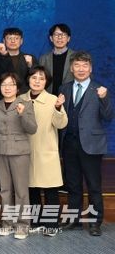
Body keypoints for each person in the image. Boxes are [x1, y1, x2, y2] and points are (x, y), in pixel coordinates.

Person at [59, 51, 112, 236]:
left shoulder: (99, 89)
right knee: (73, 185)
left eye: (85, 65)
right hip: (69, 144)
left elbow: (108, 116)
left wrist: (104, 98)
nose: (81, 69)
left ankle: (95, 223)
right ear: (71, 69)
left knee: (93, 186)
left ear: (90, 69)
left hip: (91, 145)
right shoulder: (64, 88)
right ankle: (74, 221)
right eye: (77, 65)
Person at [0, 73, 37, 239]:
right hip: (0, 151)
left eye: (11, 84)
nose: (7, 88)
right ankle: (7, 223)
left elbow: (32, 129)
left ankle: (23, 225)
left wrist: (22, 114)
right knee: (5, 190)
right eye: (4, 84)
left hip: (20, 152)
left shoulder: (26, 104)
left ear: (17, 87)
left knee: (21, 190)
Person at [20, 66, 67, 237]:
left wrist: (58, 108)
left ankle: (51, 224)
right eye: (34, 77)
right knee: (31, 189)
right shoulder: (20, 99)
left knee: (50, 190)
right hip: (26, 151)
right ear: (28, 79)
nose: (37, 81)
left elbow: (61, 124)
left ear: (46, 82)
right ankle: (36, 221)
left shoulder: (53, 99)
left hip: (46, 152)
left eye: (41, 78)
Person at [0, 27, 37, 94]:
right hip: (3, 95)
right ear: (4, 41)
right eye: (9, 38)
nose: (13, 41)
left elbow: (36, 79)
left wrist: (30, 66)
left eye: (16, 38)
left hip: (25, 96)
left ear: (21, 41)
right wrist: (4, 55)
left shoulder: (30, 58)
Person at [39, 24, 75, 96]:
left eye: (63, 35)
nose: (60, 37)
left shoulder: (76, 57)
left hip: (70, 98)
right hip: (48, 98)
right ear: (51, 38)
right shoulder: (43, 59)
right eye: (56, 34)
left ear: (68, 38)